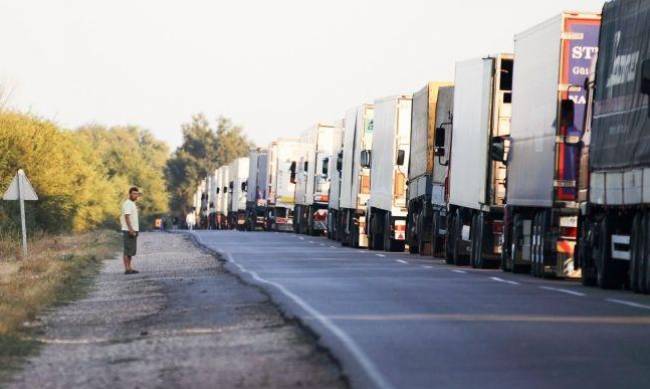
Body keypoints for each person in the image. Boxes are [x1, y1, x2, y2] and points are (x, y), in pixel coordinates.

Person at [120, 187, 141, 275]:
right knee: (127, 250)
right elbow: (127, 217)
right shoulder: (128, 203)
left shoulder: (132, 204)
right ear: (130, 194)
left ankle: (130, 268)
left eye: (136, 194)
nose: (135, 195)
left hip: (133, 230)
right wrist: (131, 229)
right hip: (128, 230)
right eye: (133, 193)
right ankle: (127, 269)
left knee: (131, 251)